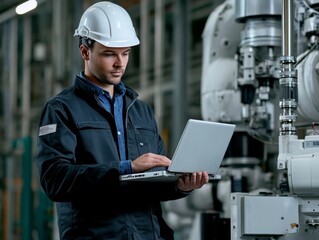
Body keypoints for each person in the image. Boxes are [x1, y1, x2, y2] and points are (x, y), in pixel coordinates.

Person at [36, 1, 209, 239]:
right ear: (85, 51)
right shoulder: (62, 110)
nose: (120, 63)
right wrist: (126, 168)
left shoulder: (142, 111)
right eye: (109, 54)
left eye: (125, 53)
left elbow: (153, 182)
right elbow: (55, 180)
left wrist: (180, 186)